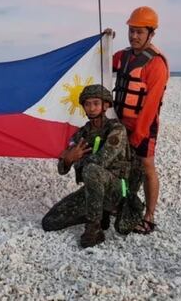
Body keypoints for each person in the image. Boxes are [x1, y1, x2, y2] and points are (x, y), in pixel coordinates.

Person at [41, 85, 133, 248]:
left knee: (91, 169)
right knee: (50, 222)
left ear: (105, 105)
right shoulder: (81, 134)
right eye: (87, 104)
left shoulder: (116, 129)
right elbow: (62, 169)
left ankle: (94, 229)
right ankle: (98, 212)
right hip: (93, 191)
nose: (91, 108)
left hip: (117, 191)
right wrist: (69, 159)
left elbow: (100, 161)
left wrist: (75, 158)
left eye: (96, 103)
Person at [112, 6, 169, 234]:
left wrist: (139, 134)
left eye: (140, 32)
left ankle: (149, 216)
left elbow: (151, 105)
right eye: (131, 31)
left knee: (147, 167)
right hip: (120, 122)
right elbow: (101, 61)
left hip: (143, 125)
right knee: (119, 166)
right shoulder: (124, 56)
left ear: (151, 33)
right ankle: (118, 204)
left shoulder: (156, 64)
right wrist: (105, 39)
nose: (134, 36)